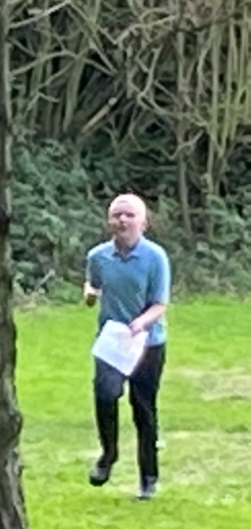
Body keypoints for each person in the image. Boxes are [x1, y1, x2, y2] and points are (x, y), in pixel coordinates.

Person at [84, 192, 170, 500]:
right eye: (116, 215)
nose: (122, 220)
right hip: (112, 340)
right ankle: (108, 455)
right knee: (105, 396)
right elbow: (93, 284)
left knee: (143, 408)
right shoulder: (98, 256)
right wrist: (90, 294)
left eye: (130, 215)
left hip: (148, 342)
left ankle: (148, 479)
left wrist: (140, 323)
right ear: (109, 221)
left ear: (143, 223)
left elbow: (159, 303)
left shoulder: (155, 257)